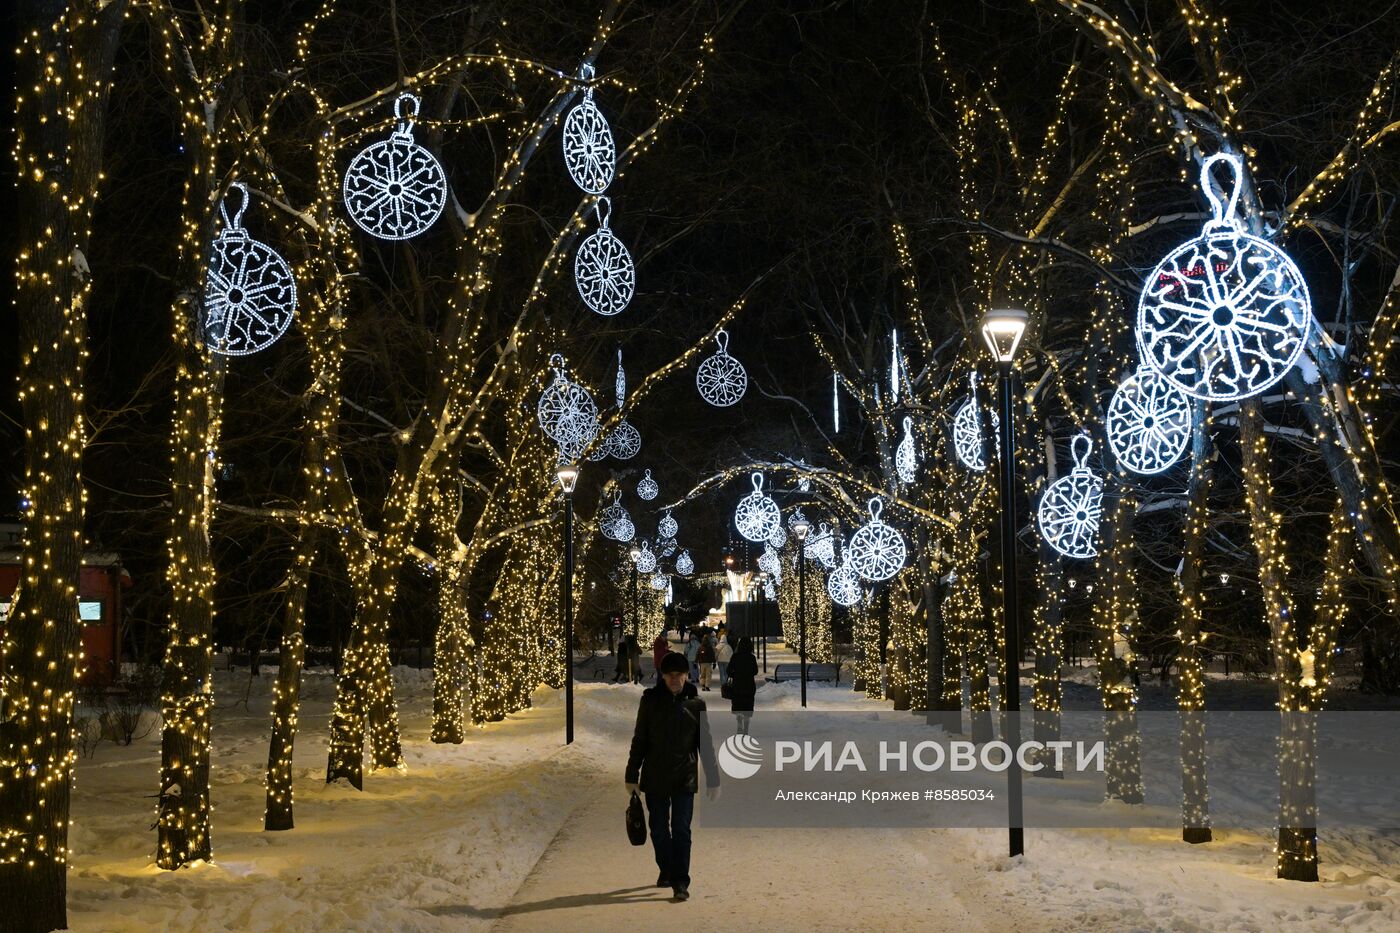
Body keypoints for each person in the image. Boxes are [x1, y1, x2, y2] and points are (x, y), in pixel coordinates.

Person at [626, 652, 720, 902]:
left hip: (684, 777)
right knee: (658, 829)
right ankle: (666, 867)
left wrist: (713, 777)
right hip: (655, 775)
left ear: (687, 676)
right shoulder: (650, 701)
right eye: (670, 675)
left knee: (681, 830)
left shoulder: (696, 704)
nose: (675, 679)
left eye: (679, 675)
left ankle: (680, 881)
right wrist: (631, 774)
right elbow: (640, 740)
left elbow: (705, 742)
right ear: (663, 677)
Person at [726, 636, 758, 735]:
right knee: (747, 706)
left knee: (739, 705)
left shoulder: (735, 657)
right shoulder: (751, 657)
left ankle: (739, 724)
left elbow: (728, 670)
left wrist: (734, 675)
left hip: (737, 685)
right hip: (749, 685)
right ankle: (746, 727)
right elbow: (755, 671)